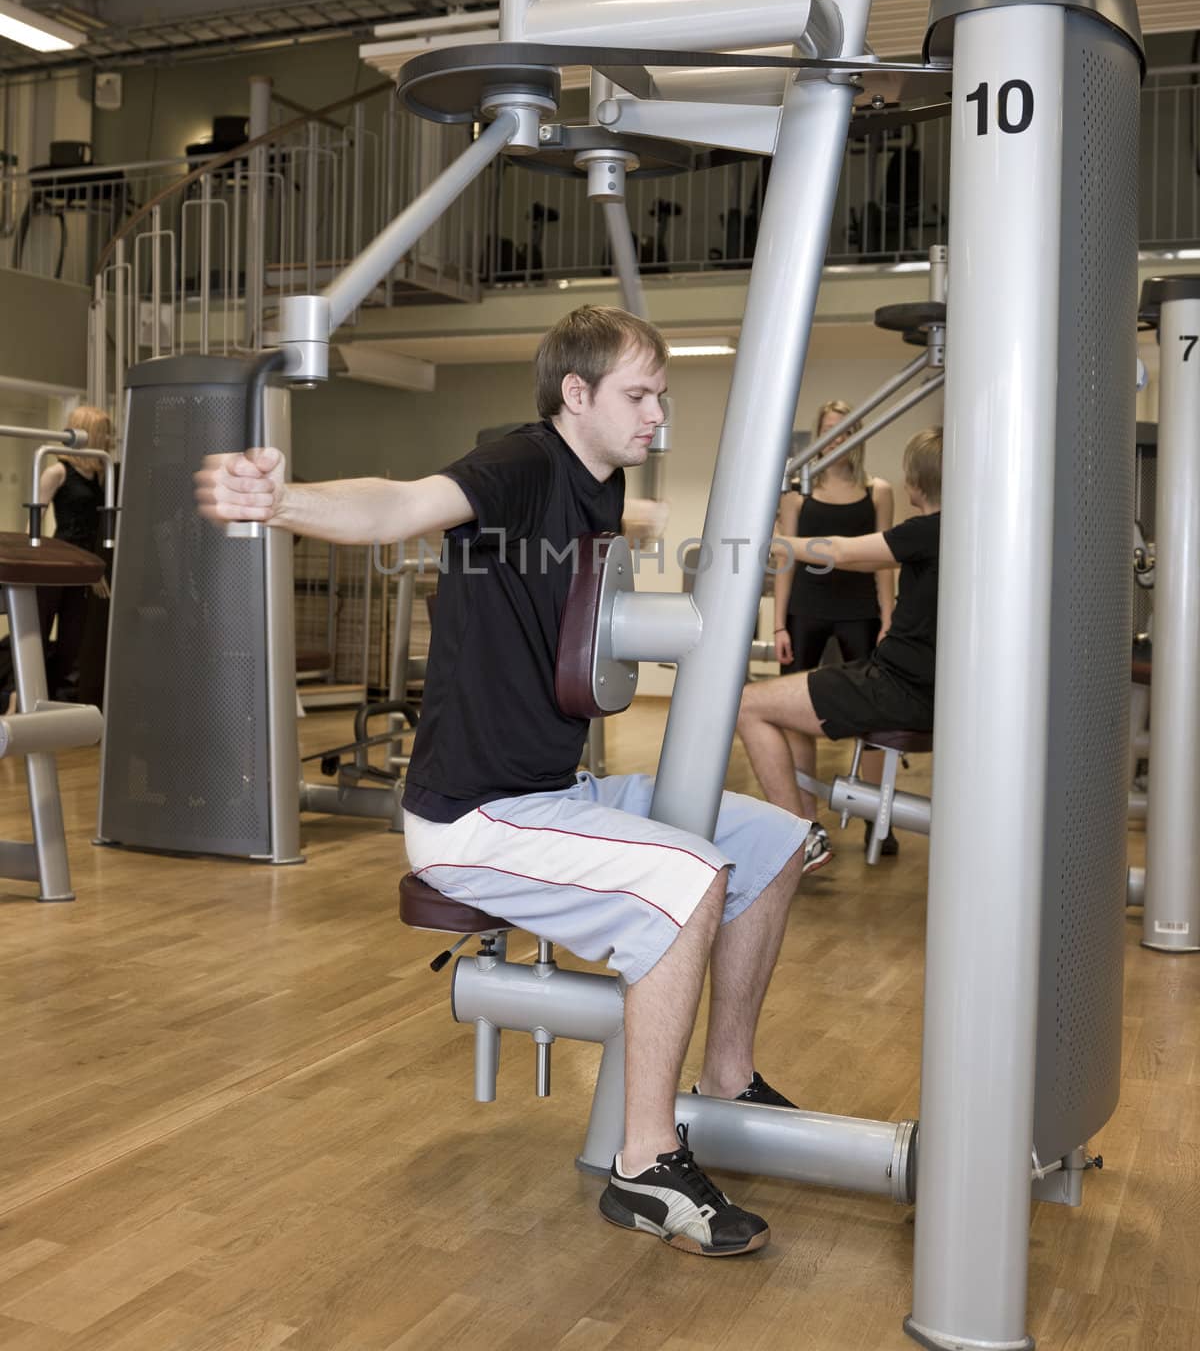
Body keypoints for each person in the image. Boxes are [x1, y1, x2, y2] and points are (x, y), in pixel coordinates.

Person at [197, 305, 810, 1259]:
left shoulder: (600, 485)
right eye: (639, 396)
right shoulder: (523, 464)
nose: (658, 416)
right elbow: (399, 505)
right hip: (474, 817)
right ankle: (643, 1166)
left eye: (661, 396)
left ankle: (726, 1080)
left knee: (771, 844)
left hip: (552, 794)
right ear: (576, 395)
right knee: (690, 878)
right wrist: (280, 501)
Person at [738, 428, 941, 831]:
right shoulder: (957, 531)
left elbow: (843, 551)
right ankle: (806, 826)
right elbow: (865, 561)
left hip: (897, 688)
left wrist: (772, 541)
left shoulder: (928, 528)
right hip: (901, 680)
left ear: (916, 481)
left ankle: (798, 835)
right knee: (783, 706)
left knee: (745, 704)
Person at [775, 400, 894, 874]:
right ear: (817, 437)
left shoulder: (876, 490)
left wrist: (889, 617)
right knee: (794, 713)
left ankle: (875, 819)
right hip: (806, 608)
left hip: (859, 610)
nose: (837, 440)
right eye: (829, 432)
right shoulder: (797, 495)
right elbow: (785, 559)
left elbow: (886, 557)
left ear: (858, 435)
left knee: (876, 716)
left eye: (845, 432)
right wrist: (780, 623)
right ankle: (806, 823)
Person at [37, 404, 111, 703]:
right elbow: (32, 525)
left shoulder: (100, 475)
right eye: (105, 434)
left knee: (73, 641)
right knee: (37, 636)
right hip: (57, 562)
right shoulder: (56, 472)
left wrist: (95, 569)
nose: (109, 440)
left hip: (86, 567)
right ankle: (19, 698)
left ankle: (56, 701)